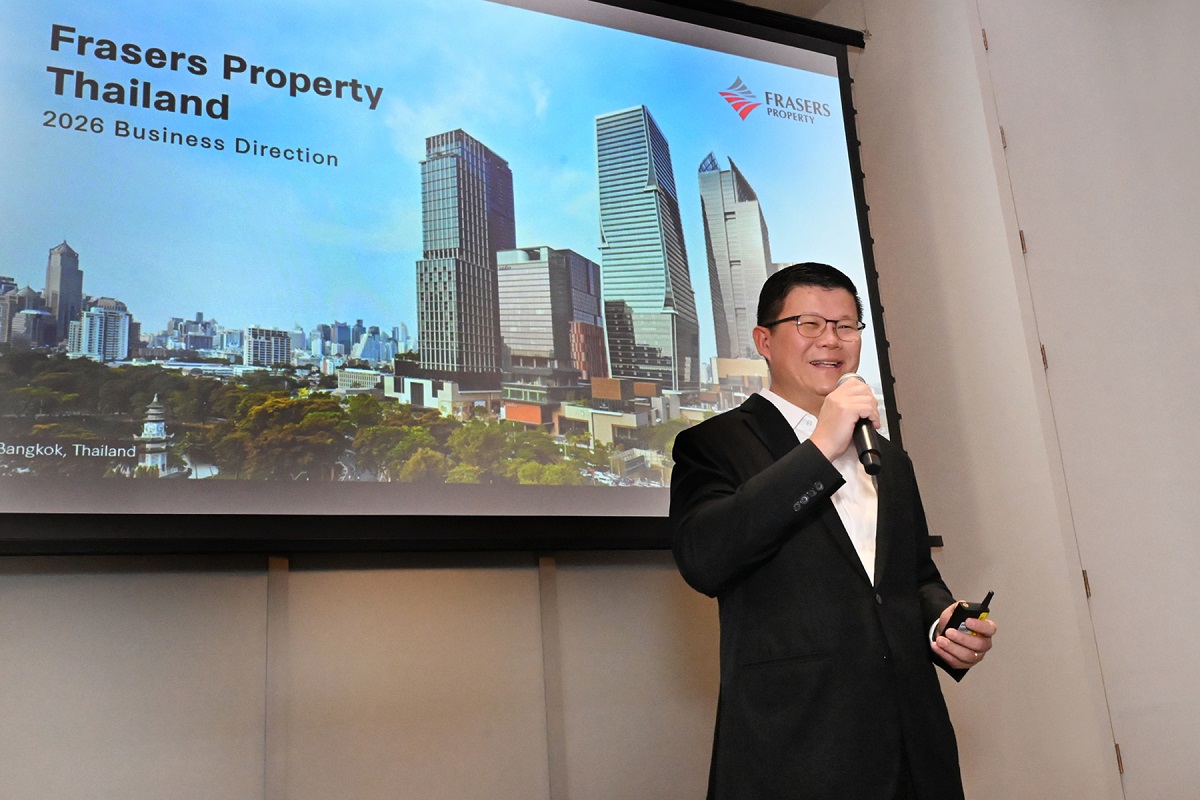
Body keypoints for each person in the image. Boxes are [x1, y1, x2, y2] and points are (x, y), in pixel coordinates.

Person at [670, 263, 996, 800]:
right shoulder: (714, 444)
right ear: (764, 341)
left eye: (846, 326)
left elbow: (913, 576)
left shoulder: (889, 458)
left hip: (914, 745)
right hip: (796, 746)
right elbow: (705, 559)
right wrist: (821, 447)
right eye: (810, 324)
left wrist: (942, 623)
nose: (831, 340)